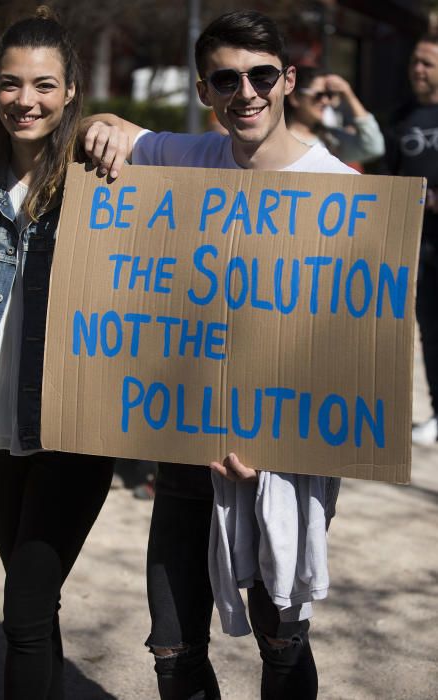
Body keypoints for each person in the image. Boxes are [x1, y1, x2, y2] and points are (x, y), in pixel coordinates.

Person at [82, 10, 356, 699]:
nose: (247, 92)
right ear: (205, 90)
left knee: (282, 649)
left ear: (288, 80)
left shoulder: (343, 192)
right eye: (226, 79)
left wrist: (277, 439)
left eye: (262, 75)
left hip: (282, 471)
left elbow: (355, 355)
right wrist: (101, 128)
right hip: (183, 457)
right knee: (173, 655)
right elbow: (120, 134)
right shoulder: (189, 159)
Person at [0, 8, 115, 698]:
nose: (26, 100)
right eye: (11, 84)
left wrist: (121, 131)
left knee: (23, 612)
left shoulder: (104, 184)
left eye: (44, 86)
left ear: (72, 90)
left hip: (69, 432)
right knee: (36, 604)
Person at [384, 35, 438, 446]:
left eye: (428, 63)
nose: (418, 69)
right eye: (415, 61)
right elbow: (386, 175)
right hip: (418, 244)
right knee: (429, 332)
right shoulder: (400, 117)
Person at [285, 65, 385, 167]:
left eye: (329, 95)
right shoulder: (278, 138)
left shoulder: (330, 139)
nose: (325, 101)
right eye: (318, 95)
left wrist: (348, 93)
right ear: (295, 97)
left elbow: (374, 147)